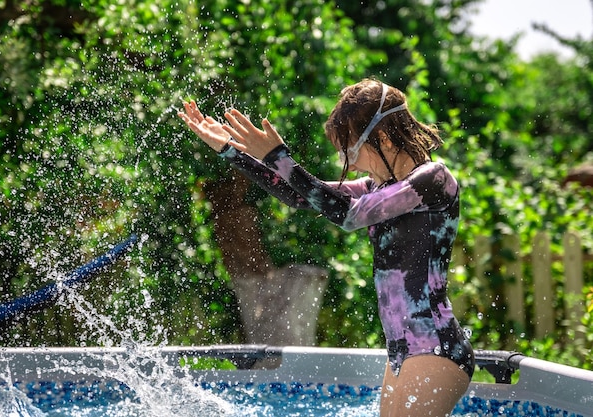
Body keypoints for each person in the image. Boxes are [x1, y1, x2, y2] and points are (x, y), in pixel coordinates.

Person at [178, 78, 474, 417]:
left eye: (349, 149)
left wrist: (280, 157)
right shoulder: (377, 187)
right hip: (405, 354)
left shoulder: (432, 180)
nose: (348, 160)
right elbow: (301, 196)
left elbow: (349, 216)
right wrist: (231, 151)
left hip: (435, 346)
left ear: (384, 137)